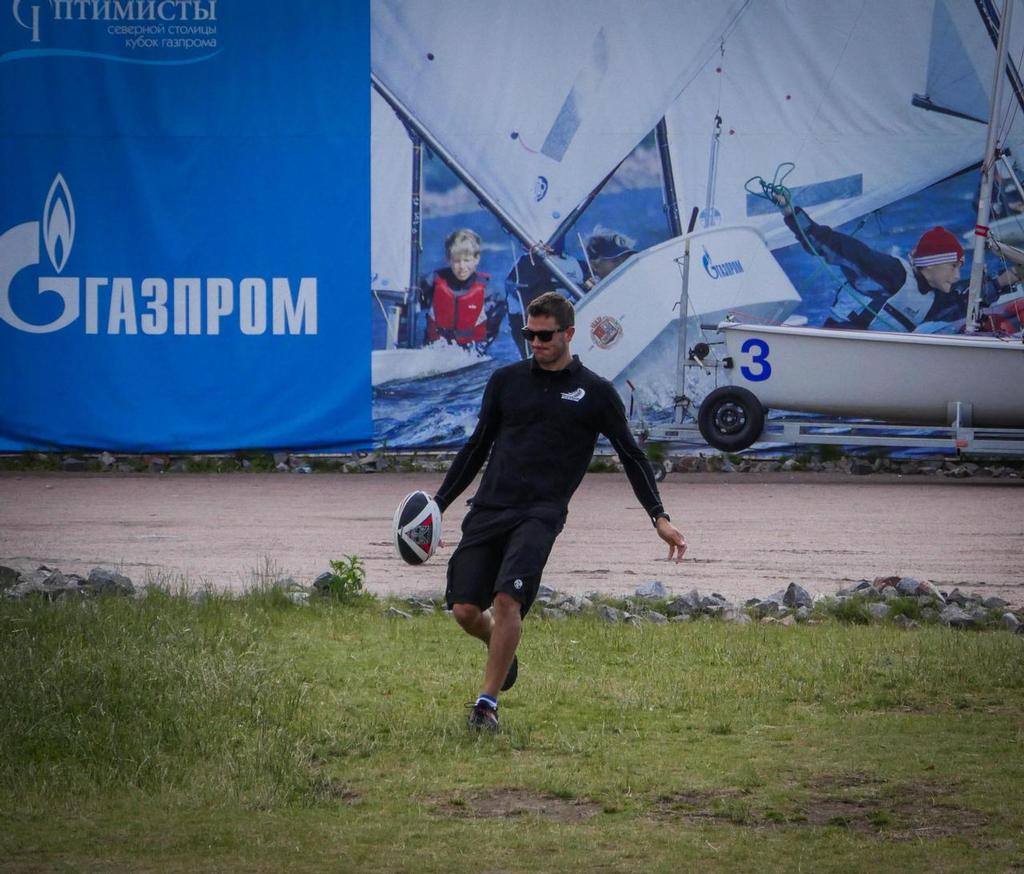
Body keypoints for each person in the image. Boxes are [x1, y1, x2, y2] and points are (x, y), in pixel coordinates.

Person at [429, 291, 687, 732]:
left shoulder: (597, 394)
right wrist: (437, 504)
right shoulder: (506, 382)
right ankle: (500, 649)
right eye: (530, 334)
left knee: (508, 598)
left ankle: (486, 706)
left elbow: (632, 455)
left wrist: (658, 516)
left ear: (568, 333)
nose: (536, 342)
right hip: (489, 506)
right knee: (466, 611)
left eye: (545, 335)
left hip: (541, 514)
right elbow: (475, 448)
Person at [775, 199, 1019, 331]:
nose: (957, 276)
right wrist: (791, 213)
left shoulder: (935, 300)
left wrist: (1007, 279)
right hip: (835, 347)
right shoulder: (888, 271)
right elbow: (832, 245)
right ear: (929, 266)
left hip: (873, 362)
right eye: (953, 267)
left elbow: (965, 303)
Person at [419, 228, 504, 349]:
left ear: (476, 259)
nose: (462, 267)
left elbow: (491, 331)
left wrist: (478, 351)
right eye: (457, 261)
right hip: (434, 350)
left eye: (467, 260)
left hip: (471, 354)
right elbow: (408, 305)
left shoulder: (490, 294)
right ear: (448, 260)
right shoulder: (431, 282)